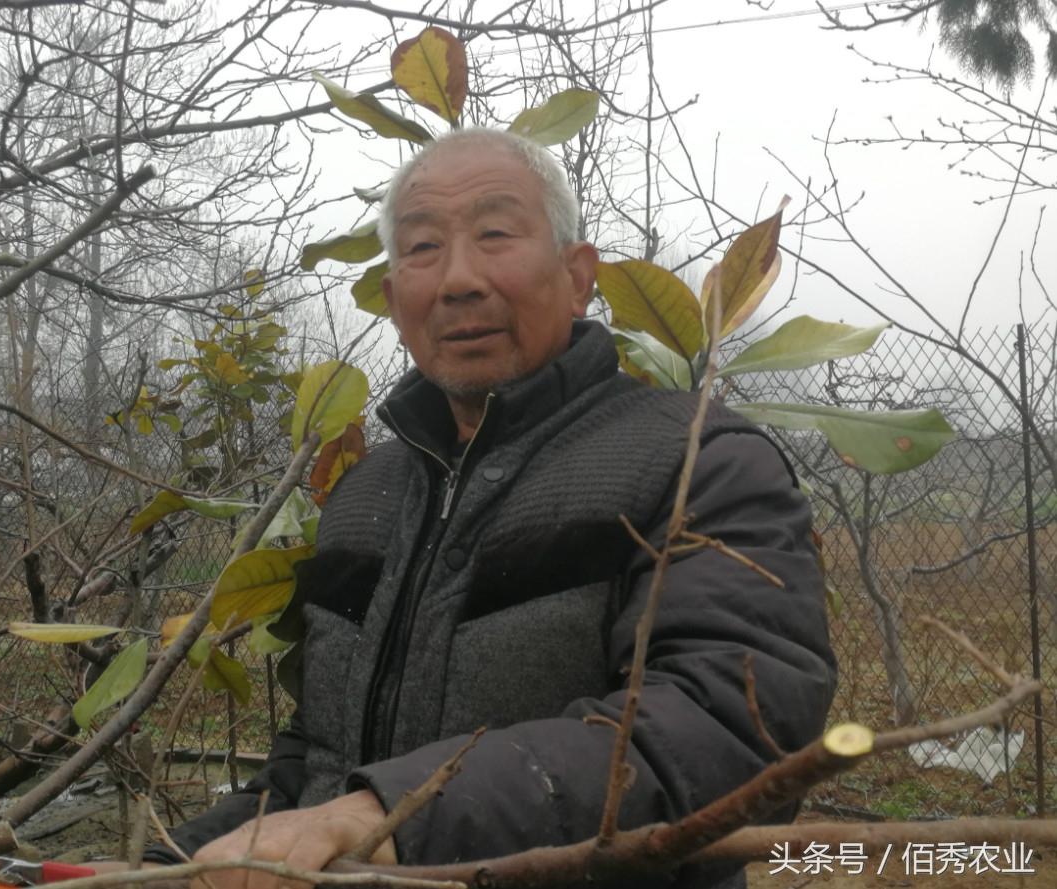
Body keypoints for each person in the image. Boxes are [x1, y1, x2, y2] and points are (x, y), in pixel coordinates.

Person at [140, 128, 837, 888]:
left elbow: (731, 731)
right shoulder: (365, 497)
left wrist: (390, 816)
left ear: (577, 277)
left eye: (496, 235)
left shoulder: (696, 460)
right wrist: (159, 866)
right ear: (394, 295)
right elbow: (319, 758)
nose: (457, 279)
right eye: (422, 248)